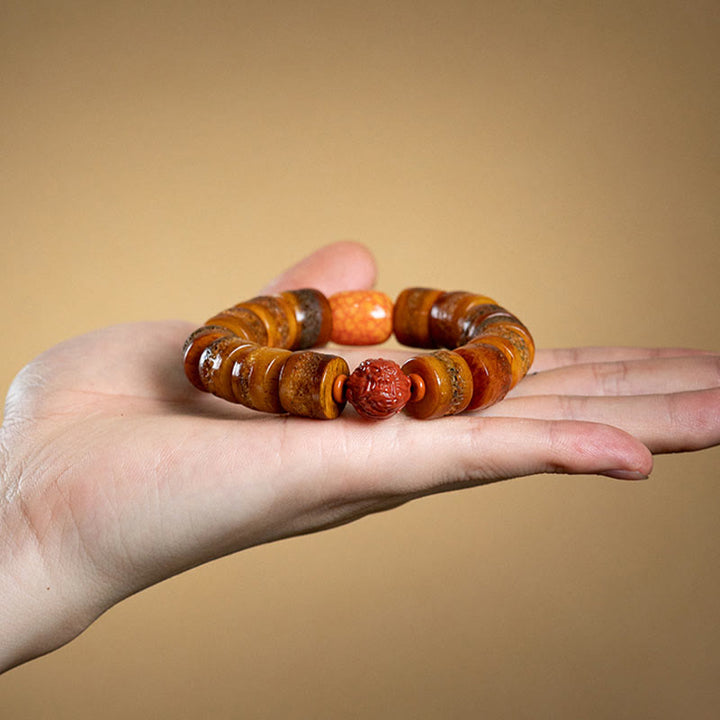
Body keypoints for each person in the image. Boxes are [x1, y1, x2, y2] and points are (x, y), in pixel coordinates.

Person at [1, 241, 718, 674]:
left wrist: (35, 541)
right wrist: (32, 533)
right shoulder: (221, 353)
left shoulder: (435, 357)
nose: (382, 391)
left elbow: (494, 340)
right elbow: (210, 351)